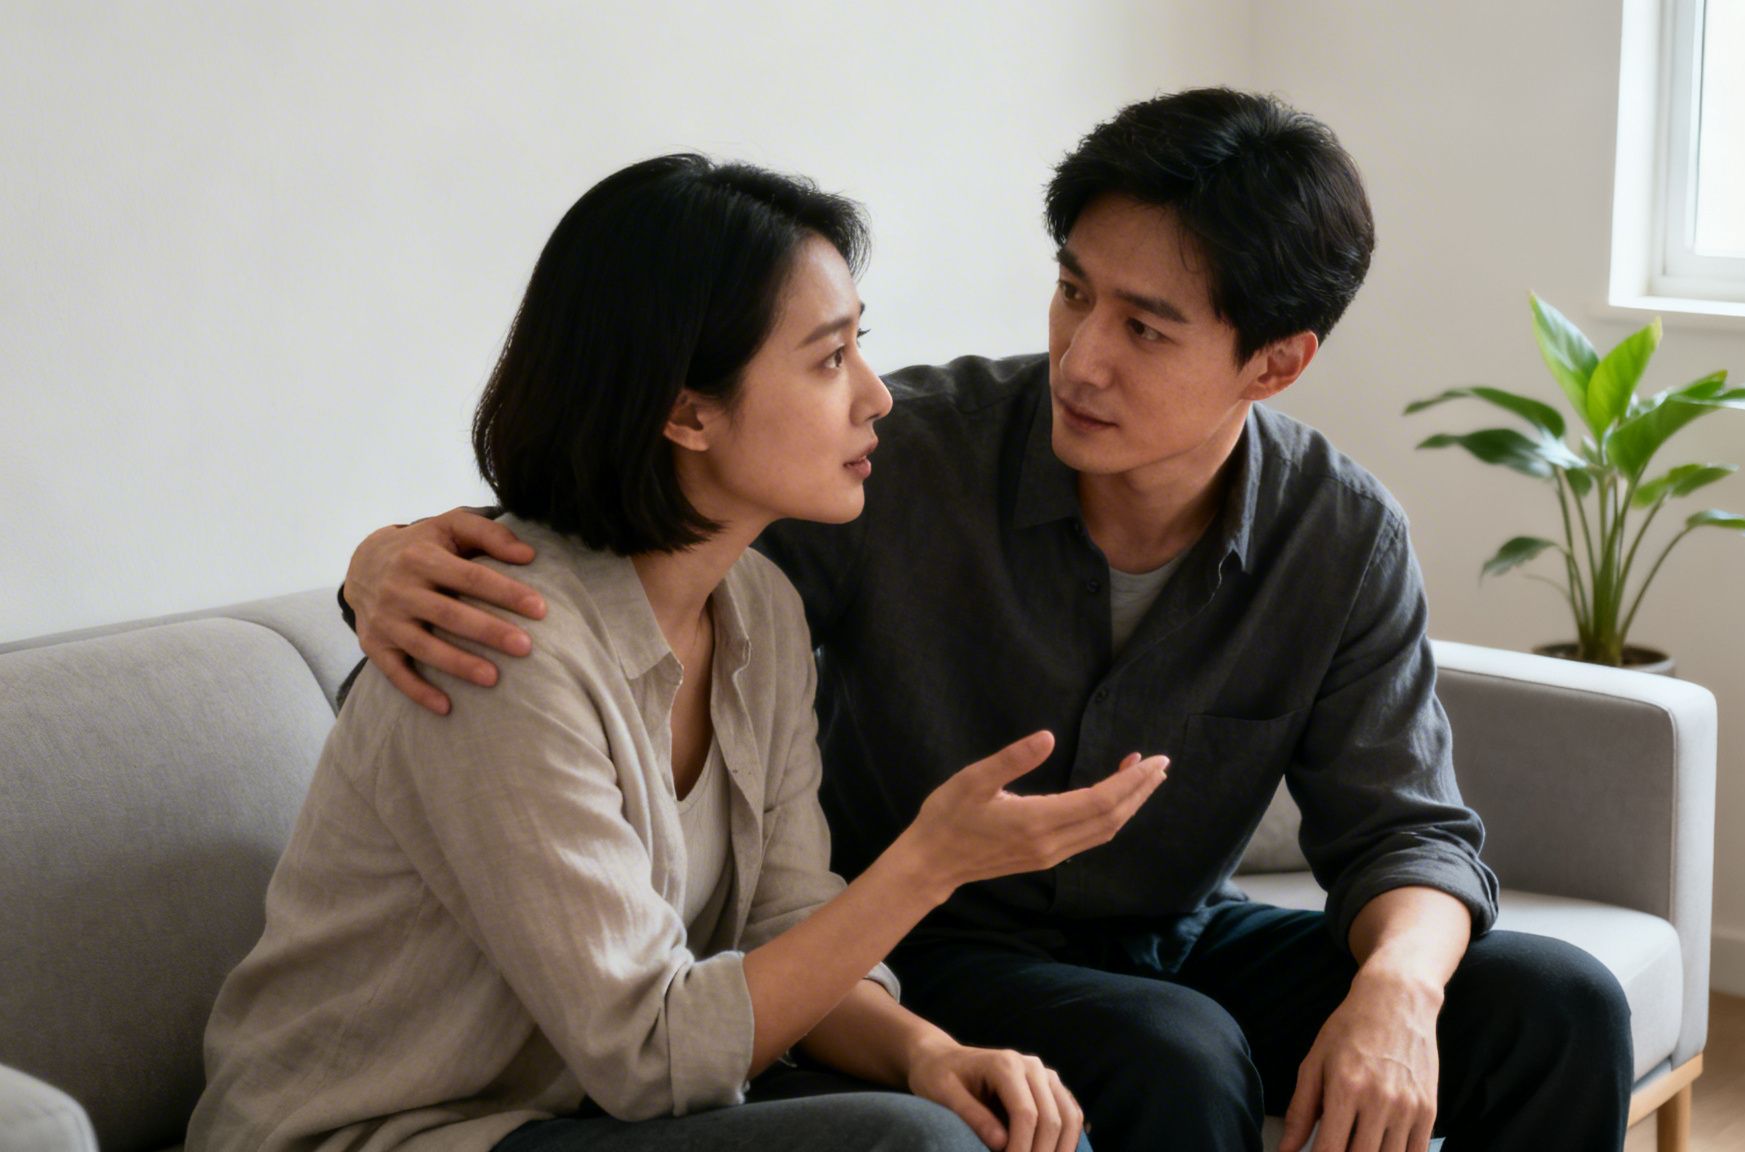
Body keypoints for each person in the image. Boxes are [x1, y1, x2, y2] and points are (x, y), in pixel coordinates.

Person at [343, 91, 1634, 1151]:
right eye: (1075, 292)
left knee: (1554, 1005)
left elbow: (1410, 829)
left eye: (1145, 326)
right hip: (935, 946)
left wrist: (1399, 995)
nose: (1081, 356)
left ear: (1275, 362)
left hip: (1167, 934)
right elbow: (621, 513)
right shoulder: (899, 469)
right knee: (1176, 1055)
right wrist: (379, 562)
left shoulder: (1338, 536)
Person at [190, 154, 1172, 1152]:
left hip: (583, 1113)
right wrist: (930, 863)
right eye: (829, 359)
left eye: (858, 347)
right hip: (401, 1133)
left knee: (1004, 1123)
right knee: (910, 1147)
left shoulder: (760, 609)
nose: (875, 396)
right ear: (685, 410)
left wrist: (926, 1054)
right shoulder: (498, 650)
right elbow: (649, 1058)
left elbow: (785, 926)